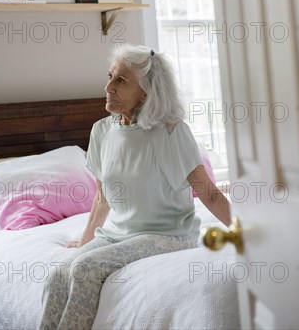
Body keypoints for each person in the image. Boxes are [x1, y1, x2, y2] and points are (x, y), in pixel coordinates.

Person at [38, 44, 232, 330]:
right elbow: (103, 197)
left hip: (169, 234)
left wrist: (245, 233)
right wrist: (85, 240)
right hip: (117, 235)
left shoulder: (170, 130)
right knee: (57, 274)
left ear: (146, 92)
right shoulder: (102, 131)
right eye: (110, 76)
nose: (108, 86)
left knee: (84, 269)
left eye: (121, 80)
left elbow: (208, 191)